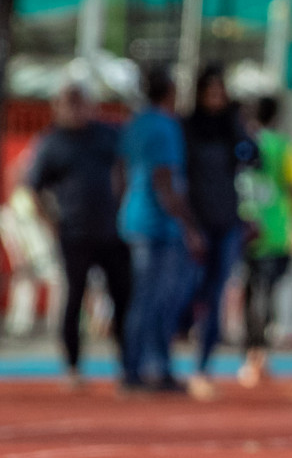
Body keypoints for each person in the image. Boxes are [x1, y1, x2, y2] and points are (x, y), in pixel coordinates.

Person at [27, 82, 133, 390]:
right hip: (74, 235)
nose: (76, 109)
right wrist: (52, 224)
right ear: (58, 107)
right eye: (69, 103)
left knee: (122, 298)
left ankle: (127, 366)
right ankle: (73, 368)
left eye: (81, 102)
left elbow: (124, 166)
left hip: (112, 233)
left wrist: (122, 202)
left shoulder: (107, 134)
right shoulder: (51, 143)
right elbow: (34, 189)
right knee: (74, 300)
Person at [119, 67, 205, 393]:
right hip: (159, 226)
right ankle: (151, 366)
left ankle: (137, 367)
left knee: (143, 299)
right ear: (169, 91)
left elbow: (118, 173)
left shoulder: (135, 123)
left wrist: (125, 209)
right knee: (159, 301)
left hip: (135, 220)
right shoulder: (166, 126)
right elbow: (166, 182)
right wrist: (189, 226)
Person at [183, 65, 257, 399]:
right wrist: (187, 224)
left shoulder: (233, 130)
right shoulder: (187, 129)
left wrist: (240, 126)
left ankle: (202, 366)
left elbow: (253, 162)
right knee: (184, 291)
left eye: (220, 93)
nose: (215, 99)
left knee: (215, 297)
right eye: (209, 92)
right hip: (193, 222)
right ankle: (162, 359)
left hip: (226, 222)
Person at [236, 96, 292, 387]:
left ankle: (251, 352)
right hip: (276, 229)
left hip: (245, 225)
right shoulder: (285, 148)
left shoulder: (242, 144)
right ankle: (258, 353)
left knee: (251, 290)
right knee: (265, 292)